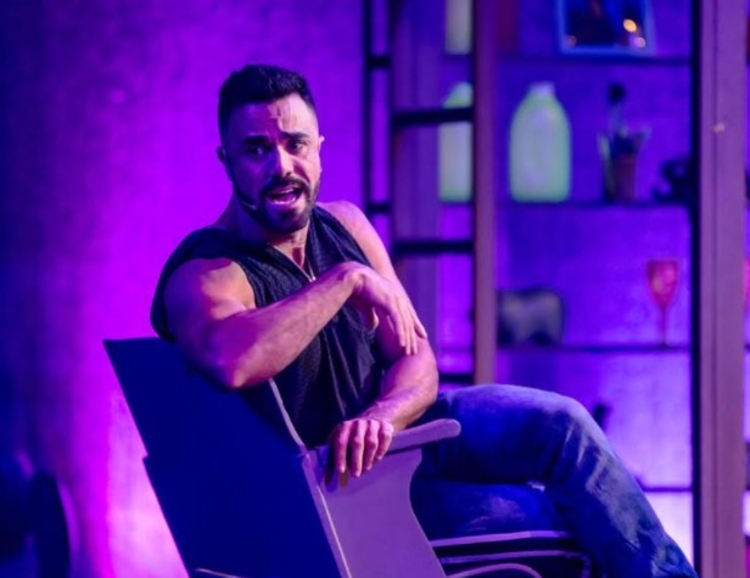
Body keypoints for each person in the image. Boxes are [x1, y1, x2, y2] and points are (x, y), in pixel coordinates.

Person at [150, 64, 697, 578]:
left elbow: (416, 358)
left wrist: (383, 418)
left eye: (295, 144)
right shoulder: (209, 272)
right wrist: (344, 281)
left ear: (318, 149)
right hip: (345, 491)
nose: (281, 166)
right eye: (256, 149)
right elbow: (232, 359)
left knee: (564, 422)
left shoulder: (345, 225)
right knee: (573, 517)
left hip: (408, 433)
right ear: (226, 160)